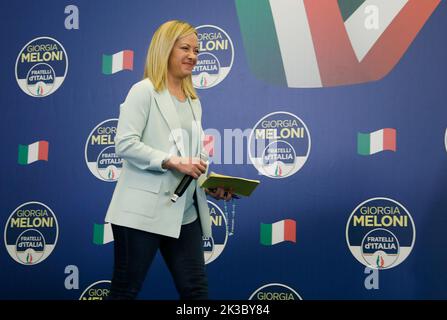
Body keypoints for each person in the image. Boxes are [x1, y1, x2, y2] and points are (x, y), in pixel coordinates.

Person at [104, 20, 233, 300]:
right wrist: (171, 161)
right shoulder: (143, 91)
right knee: (124, 292)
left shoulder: (192, 100)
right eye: (185, 48)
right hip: (141, 215)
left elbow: (194, 157)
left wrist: (210, 184)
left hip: (185, 214)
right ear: (165, 49)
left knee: (196, 293)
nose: (193, 56)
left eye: (197, 50)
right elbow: (125, 144)